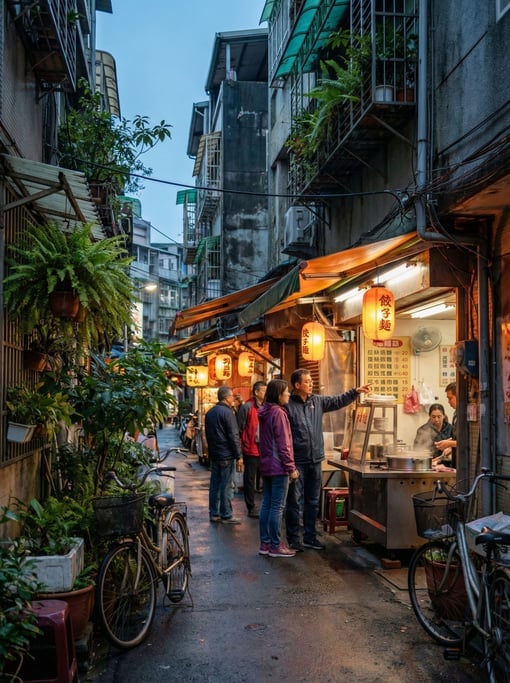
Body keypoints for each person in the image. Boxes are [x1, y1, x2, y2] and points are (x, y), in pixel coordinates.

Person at [284, 369, 370, 552]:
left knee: (313, 501)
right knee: (293, 501)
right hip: (297, 461)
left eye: (311, 380)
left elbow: (337, 401)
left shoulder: (317, 401)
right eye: (307, 381)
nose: (311, 383)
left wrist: (355, 391)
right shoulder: (287, 405)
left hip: (315, 459)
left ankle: (310, 537)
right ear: (297, 385)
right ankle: (293, 539)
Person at [258, 379, 299, 557]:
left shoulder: (265, 412)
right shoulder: (278, 413)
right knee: (277, 507)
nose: (289, 394)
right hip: (278, 466)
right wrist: (291, 467)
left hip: (266, 465)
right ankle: (276, 545)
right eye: (286, 391)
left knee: (267, 504)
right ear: (279, 394)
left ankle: (265, 544)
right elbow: (284, 444)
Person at [204, 386, 243, 524]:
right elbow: (233, 435)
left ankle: (214, 513)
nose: (233, 398)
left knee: (215, 484)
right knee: (226, 485)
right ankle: (226, 514)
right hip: (226, 454)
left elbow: (207, 435)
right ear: (227, 397)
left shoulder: (210, 413)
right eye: (232, 396)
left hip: (215, 454)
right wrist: (239, 456)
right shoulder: (228, 413)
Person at [237, 381, 267, 519]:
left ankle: (266, 506)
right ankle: (251, 507)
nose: (265, 393)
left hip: (265, 449)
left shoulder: (267, 406)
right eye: (263, 391)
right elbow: (239, 429)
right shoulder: (247, 407)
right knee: (249, 479)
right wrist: (240, 453)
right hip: (251, 449)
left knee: (267, 478)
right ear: (256, 392)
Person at [435, 382, 457, 467]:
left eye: (450, 398)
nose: (448, 402)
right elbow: (458, 438)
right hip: (456, 462)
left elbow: (467, 443)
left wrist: (450, 444)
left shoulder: (464, 414)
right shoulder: (456, 414)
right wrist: (450, 446)